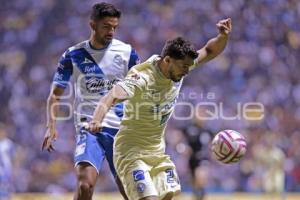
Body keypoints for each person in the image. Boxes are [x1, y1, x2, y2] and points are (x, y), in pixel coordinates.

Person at [88, 18, 232, 200]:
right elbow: (112, 95)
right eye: (183, 67)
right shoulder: (142, 77)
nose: (187, 71)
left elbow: (209, 51)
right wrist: (96, 119)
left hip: (157, 153)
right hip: (131, 153)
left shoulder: (180, 65)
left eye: (189, 66)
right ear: (167, 60)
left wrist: (222, 36)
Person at [42, 2, 139, 200]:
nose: (111, 31)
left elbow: (140, 88)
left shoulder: (128, 53)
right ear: (92, 25)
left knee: (129, 190)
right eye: (106, 26)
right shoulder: (73, 55)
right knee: (85, 184)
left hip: (121, 130)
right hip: (89, 128)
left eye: (114, 27)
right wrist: (51, 125)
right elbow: (55, 95)